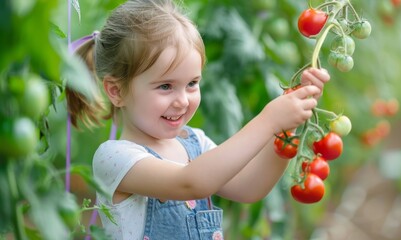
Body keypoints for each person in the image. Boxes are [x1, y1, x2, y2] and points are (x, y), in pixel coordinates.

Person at [67, 0, 330, 239]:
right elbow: (190, 182)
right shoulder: (116, 158)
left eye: (192, 83)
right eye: (165, 86)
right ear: (116, 91)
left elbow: (250, 187)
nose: (182, 100)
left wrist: (286, 129)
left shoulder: (194, 142)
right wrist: (268, 120)